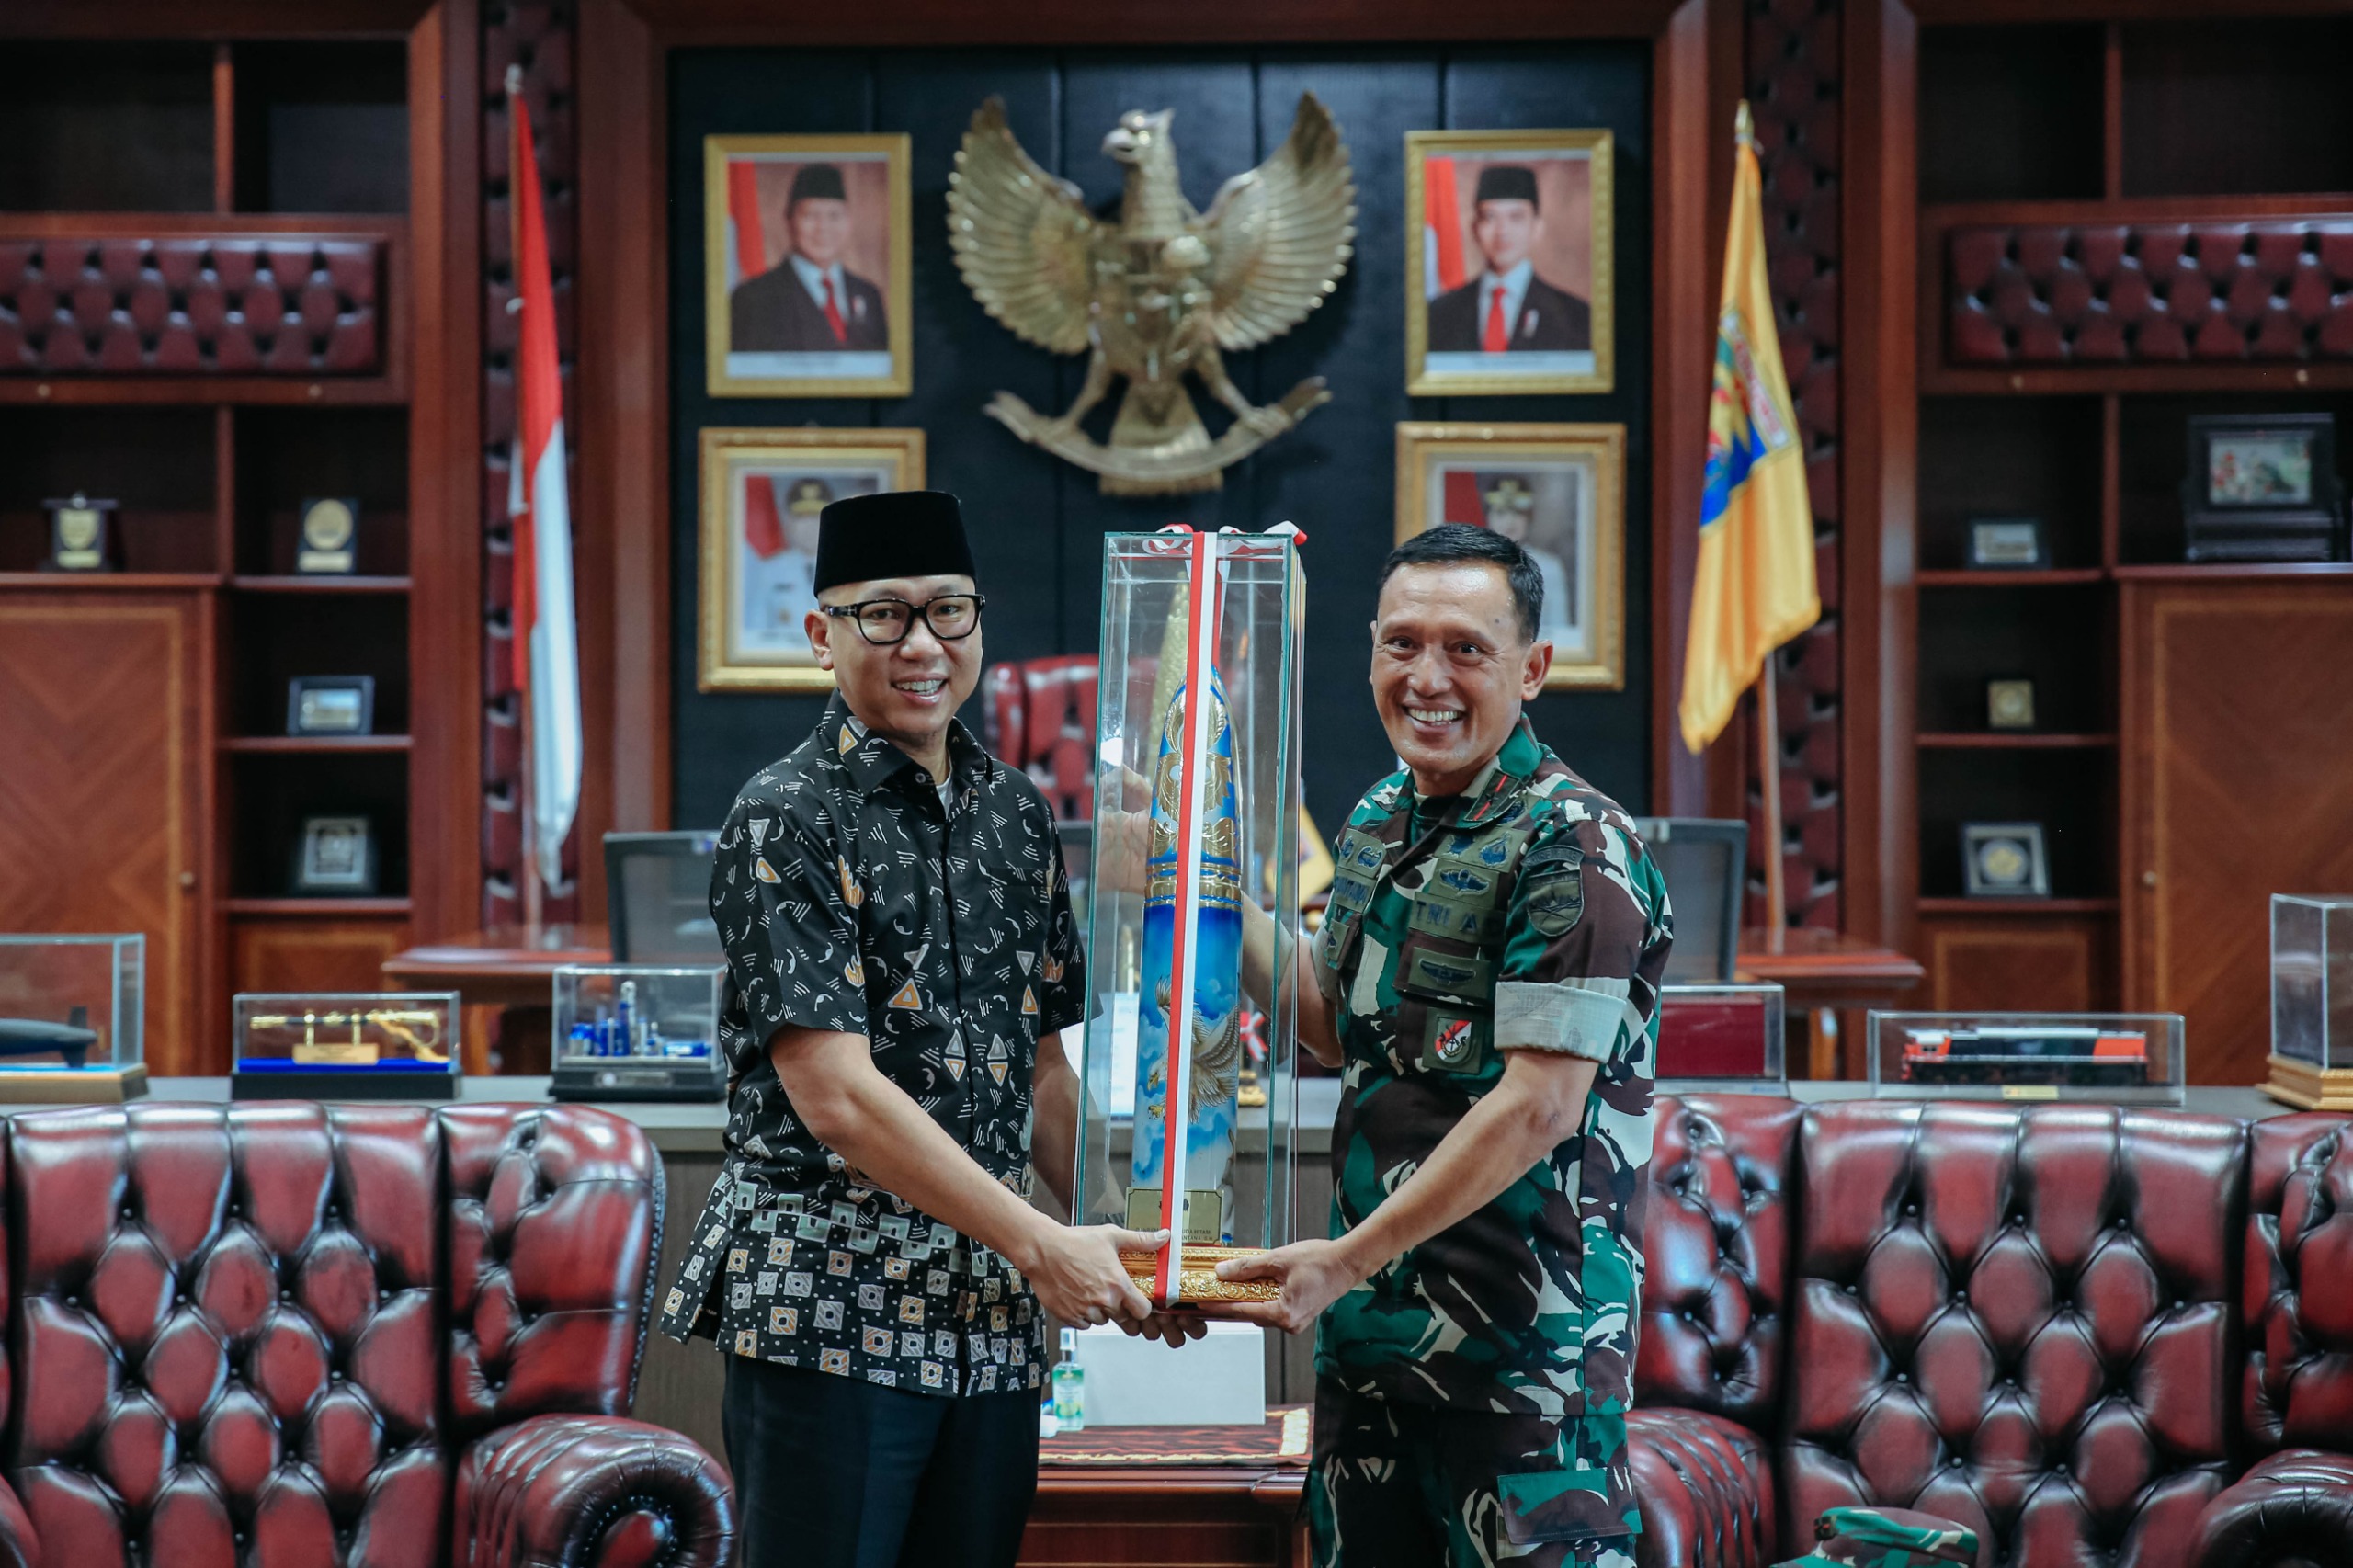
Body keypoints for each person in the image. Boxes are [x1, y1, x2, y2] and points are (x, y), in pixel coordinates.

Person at [656, 489, 1197, 1568]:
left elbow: (1042, 1070)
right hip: (831, 1309)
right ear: (822, 635)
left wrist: (1121, 1237)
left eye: (948, 610)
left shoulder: (1018, 812)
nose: (922, 644)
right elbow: (837, 1096)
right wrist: (1041, 1242)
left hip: (989, 1318)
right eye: (883, 613)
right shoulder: (785, 812)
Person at [1219, 525, 1671, 1568]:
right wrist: (1207, 889)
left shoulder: (1575, 842)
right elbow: (1333, 1025)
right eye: (1402, 644)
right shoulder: (1379, 817)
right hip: (1371, 1354)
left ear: (1532, 668)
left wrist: (1342, 1259)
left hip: (1522, 1367)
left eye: (1465, 648)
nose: (1426, 678)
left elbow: (1538, 1106)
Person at [1427, 165, 1592, 355]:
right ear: (1475, 228)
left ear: (1537, 228)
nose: (1502, 231)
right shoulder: (1439, 313)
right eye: (1490, 217)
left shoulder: (1575, 316)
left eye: (1516, 217)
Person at [730, 162, 890, 354]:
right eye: (810, 216)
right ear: (789, 220)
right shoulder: (754, 298)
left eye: (834, 216)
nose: (823, 228)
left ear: (849, 222)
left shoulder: (868, 294)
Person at [1480, 474, 1576, 645]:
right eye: (1501, 513)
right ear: (1488, 517)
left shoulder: (1550, 567)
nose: (1509, 521)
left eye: (1517, 513)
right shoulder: (1476, 566)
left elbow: (1560, 628)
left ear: (1529, 518)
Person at [738, 475, 829, 653]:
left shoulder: (846, 570)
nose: (809, 525)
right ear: (789, 521)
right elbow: (754, 632)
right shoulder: (769, 570)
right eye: (801, 517)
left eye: (815, 517)